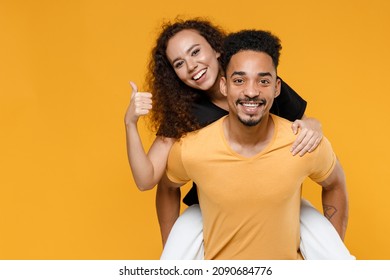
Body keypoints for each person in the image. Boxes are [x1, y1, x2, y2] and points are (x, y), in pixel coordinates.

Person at [125, 18, 352, 259]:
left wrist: (314, 125)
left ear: (216, 49)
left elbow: (307, 124)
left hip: (278, 199)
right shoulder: (182, 113)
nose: (191, 65)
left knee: (335, 255)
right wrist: (130, 123)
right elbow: (146, 179)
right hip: (211, 206)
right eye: (180, 63)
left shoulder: (260, 84)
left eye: (195, 52)